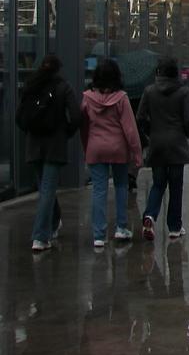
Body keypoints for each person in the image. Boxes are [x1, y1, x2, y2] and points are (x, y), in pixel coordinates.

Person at [16, 54, 81, 252]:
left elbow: (20, 116)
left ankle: (53, 223)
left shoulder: (30, 87)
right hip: (55, 145)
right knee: (47, 189)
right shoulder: (64, 87)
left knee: (45, 187)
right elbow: (76, 115)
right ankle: (40, 236)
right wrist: (66, 132)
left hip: (34, 144)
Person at [81, 58, 142, 248]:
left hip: (96, 147)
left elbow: (83, 126)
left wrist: (86, 146)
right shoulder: (121, 99)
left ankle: (99, 234)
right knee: (121, 186)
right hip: (118, 148)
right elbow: (130, 129)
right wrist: (137, 154)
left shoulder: (87, 98)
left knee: (99, 190)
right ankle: (121, 227)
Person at [138, 57, 189, 241]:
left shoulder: (149, 91)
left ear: (158, 73)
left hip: (157, 143)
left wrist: (150, 133)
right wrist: (184, 134)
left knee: (158, 183)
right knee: (176, 186)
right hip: (177, 144)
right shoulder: (183, 92)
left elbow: (140, 117)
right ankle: (174, 227)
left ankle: (150, 215)